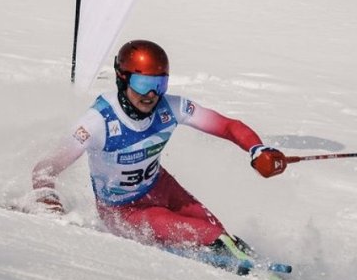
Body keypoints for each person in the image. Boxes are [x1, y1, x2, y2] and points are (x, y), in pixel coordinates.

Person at [31, 39, 288, 268]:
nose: (151, 95)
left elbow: (228, 126)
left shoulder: (171, 107)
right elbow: (46, 168)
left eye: (159, 83)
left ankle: (244, 261)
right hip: (123, 210)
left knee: (220, 233)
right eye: (143, 84)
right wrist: (49, 204)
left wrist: (257, 148)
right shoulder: (97, 121)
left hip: (161, 187)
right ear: (122, 79)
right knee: (207, 234)